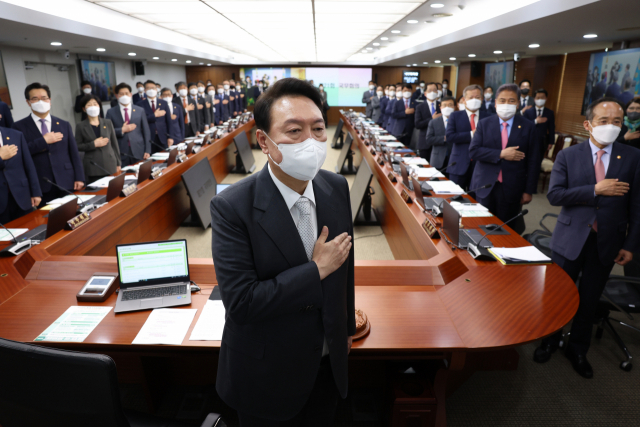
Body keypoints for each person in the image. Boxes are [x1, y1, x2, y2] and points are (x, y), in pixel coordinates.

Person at [211, 77, 355, 426]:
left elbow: (345, 270)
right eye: (294, 131)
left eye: (318, 129)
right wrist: (314, 270)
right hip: (267, 373)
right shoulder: (232, 206)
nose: (311, 141)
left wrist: (345, 332)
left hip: (326, 363)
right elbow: (243, 303)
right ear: (264, 140)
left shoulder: (335, 187)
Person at [534, 97, 640, 379]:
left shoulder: (632, 157)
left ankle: (578, 348)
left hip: (607, 240)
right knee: (557, 293)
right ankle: (549, 339)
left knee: (589, 298)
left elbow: (637, 205)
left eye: (617, 122)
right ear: (588, 124)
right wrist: (595, 189)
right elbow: (555, 195)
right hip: (569, 237)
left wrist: (630, 245)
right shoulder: (569, 155)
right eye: (603, 121)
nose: (611, 126)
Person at [469, 83, 538, 224]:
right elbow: (474, 151)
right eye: (502, 100)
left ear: (518, 104)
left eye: (511, 101)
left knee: (506, 229)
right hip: (485, 184)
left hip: (512, 186)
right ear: (495, 103)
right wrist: (500, 154)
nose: (506, 104)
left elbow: (534, 161)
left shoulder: (528, 126)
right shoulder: (484, 123)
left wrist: (528, 190)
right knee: (480, 225)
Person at [12, 82, 84, 205]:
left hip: (67, 180)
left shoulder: (63, 124)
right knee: (49, 220)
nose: (41, 101)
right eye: (35, 99)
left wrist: (80, 177)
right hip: (41, 183)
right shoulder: (18, 127)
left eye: (44, 98)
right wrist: (43, 141)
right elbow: (20, 154)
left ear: (49, 100)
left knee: (74, 215)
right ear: (28, 102)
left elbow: (73, 153)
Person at [446, 84, 490, 189]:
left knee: (476, 199)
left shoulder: (488, 117)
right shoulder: (455, 116)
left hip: (480, 166)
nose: (474, 100)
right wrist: (472, 134)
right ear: (464, 99)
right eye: (471, 98)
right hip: (458, 164)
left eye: (477, 97)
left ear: (482, 99)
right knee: (455, 198)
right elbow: (450, 136)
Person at [75, 94, 121, 183]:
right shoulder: (80, 126)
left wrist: (118, 163)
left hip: (110, 164)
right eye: (89, 105)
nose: (93, 107)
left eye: (95, 104)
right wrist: (93, 144)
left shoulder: (107, 122)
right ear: (84, 109)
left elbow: (114, 144)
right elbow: (77, 146)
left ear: (99, 106)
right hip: (93, 166)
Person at [0, 126, 42, 223]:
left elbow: (28, 165)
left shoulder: (16, 134)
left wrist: (35, 192)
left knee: (30, 232)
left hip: (22, 196)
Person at [105, 83, 150, 167]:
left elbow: (146, 131)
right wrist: (121, 130)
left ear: (131, 94)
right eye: (121, 94)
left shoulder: (140, 110)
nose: (124, 96)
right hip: (121, 151)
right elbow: (107, 132)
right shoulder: (111, 112)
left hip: (138, 150)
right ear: (117, 96)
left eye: (126, 93)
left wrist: (147, 150)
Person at [136, 80, 172, 153]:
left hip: (163, 136)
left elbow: (169, 121)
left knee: (165, 158)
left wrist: (170, 137)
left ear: (156, 90)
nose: (151, 90)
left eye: (153, 88)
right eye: (148, 88)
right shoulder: (140, 105)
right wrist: (154, 115)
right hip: (149, 138)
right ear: (145, 90)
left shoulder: (163, 103)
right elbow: (140, 121)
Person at [523, 88, 556, 161]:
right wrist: (535, 121)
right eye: (538, 97)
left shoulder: (550, 113)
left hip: (542, 141)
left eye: (542, 97)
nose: (540, 99)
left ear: (546, 98)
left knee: (538, 161)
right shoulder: (528, 112)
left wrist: (551, 142)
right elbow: (524, 126)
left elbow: (551, 128)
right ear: (534, 99)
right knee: (527, 160)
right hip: (529, 140)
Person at [427, 96, 456, 170]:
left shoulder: (459, 122)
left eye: (450, 105)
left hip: (453, 159)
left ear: (454, 107)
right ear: (440, 108)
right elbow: (429, 139)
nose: (447, 107)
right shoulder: (433, 122)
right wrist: (444, 138)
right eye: (445, 105)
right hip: (437, 159)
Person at [414, 82, 441, 160]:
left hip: (439, 142)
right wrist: (432, 119)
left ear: (437, 92)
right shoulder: (420, 107)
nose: (432, 92)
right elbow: (417, 124)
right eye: (430, 90)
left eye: (435, 90)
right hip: (424, 142)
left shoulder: (442, 105)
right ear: (425, 93)